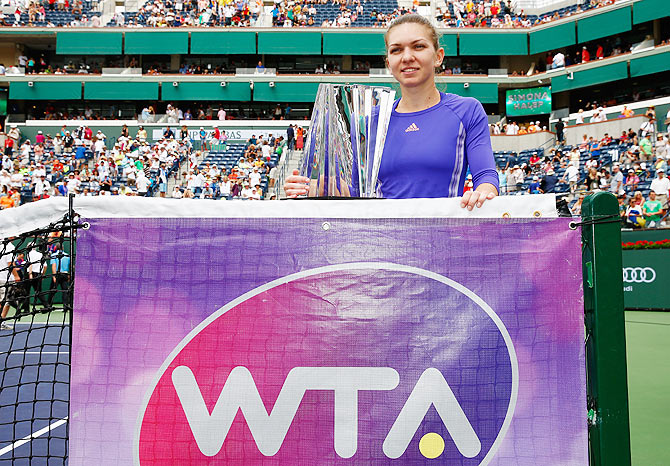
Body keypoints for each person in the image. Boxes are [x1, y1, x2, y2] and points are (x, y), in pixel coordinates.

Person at [284, 14, 498, 209]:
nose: (407, 57)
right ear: (389, 63)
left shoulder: (467, 110)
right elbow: (359, 194)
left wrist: (483, 194)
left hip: (443, 240)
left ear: (438, 56)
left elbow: (486, 176)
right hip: (386, 244)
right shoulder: (370, 122)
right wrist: (314, 189)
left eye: (418, 47)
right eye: (397, 50)